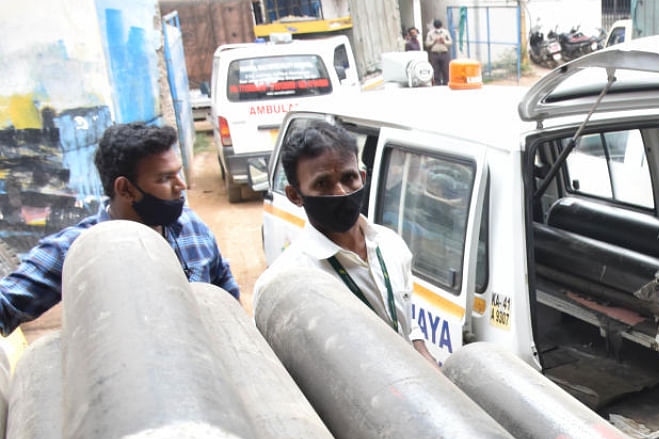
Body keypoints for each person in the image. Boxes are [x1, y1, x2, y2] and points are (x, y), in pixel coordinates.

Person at [0, 122, 238, 335]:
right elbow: (6, 304)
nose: (181, 186)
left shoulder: (193, 229)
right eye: (165, 178)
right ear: (125, 189)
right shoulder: (78, 250)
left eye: (177, 173)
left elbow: (226, 292)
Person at [254, 123, 432, 361]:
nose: (339, 192)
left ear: (363, 177)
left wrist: (427, 361)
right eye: (322, 183)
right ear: (295, 195)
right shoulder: (283, 283)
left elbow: (407, 326)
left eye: (349, 178)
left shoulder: (391, 245)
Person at [424, 19, 452, 86]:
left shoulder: (445, 32)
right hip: (434, 54)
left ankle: (446, 82)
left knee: (445, 69)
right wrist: (434, 41)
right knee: (435, 69)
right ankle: (437, 83)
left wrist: (444, 41)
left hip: (444, 53)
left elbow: (450, 42)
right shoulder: (430, 33)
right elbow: (427, 44)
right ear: (434, 26)